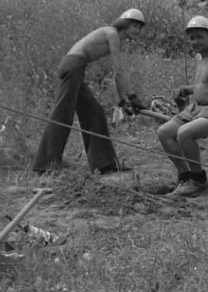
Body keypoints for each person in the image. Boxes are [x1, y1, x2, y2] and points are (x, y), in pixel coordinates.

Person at [33, 9, 146, 175]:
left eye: (139, 27)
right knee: (63, 114)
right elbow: (120, 69)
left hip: (77, 67)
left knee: (95, 112)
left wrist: (123, 101)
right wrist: (133, 97)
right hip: (73, 65)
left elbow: (117, 74)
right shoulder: (112, 33)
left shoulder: (116, 39)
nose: (137, 30)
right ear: (124, 24)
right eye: (134, 25)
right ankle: (46, 165)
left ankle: (104, 164)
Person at [158, 16, 208, 197]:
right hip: (195, 108)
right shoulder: (201, 57)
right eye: (191, 38)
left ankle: (198, 180)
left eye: (199, 37)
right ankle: (186, 176)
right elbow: (206, 85)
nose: (195, 42)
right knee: (164, 132)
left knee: (184, 133)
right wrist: (187, 89)